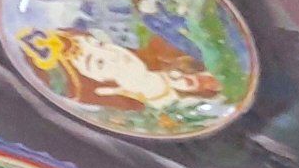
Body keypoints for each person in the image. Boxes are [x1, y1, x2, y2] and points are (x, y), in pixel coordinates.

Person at [17, 27, 223, 114]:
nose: (112, 54)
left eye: (99, 44)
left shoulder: (166, 53)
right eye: (98, 61)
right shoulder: (158, 107)